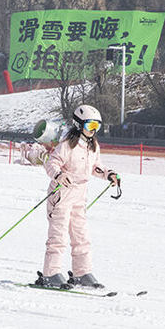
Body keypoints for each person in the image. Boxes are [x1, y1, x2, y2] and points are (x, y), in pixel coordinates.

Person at [35, 104, 120, 289]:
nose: (93, 131)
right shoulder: (67, 145)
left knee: (81, 236)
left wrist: (109, 174)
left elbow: (95, 166)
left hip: (80, 196)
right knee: (58, 236)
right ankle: (51, 273)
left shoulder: (93, 146)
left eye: (97, 127)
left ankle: (82, 272)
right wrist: (59, 175)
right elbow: (52, 163)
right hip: (61, 194)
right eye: (90, 126)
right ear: (79, 124)